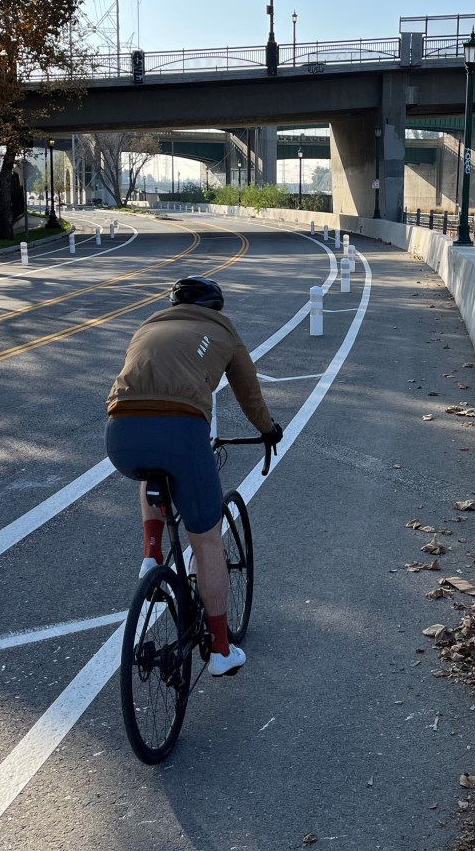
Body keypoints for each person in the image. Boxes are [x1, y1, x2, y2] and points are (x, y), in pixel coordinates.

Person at [106, 276, 282, 677]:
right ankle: (220, 651)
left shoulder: (149, 324)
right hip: (182, 432)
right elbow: (248, 391)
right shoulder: (223, 329)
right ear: (215, 307)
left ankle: (151, 555)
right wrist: (267, 429)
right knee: (206, 543)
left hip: (120, 433)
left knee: (150, 467)